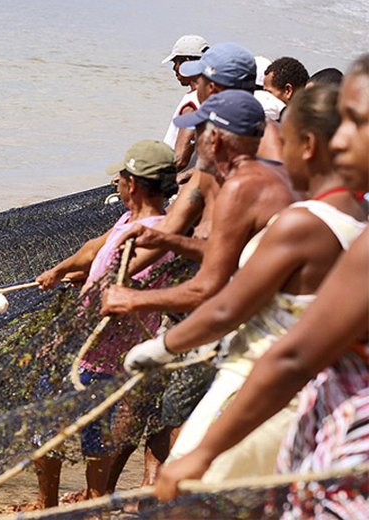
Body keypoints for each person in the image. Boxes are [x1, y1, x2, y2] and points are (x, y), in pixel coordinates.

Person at [155, 54, 369, 517]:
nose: (344, 139)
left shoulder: (303, 220)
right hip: (313, 406)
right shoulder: (357, 220)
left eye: (358, 122)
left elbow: (281, 348)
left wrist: (162, 347)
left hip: (277, 393)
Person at [31, 140, 177, 508]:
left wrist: (66, 335)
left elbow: (124, 280)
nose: (116, 182)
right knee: (83, 434)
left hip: (99, 352)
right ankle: (53, 505)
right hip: (88, 348)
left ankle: (86, 507)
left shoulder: (157, 234)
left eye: (122, 177)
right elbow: (96, 247)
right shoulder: (129, 220)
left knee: (63, 433)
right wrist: (62, 270)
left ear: (137, 184)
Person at [102, 89, 297, 316]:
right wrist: (165, 240)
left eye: (197, 132)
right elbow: (224, 254)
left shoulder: (240, 188)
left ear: (213, 139)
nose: (193, 140)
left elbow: (206, 288)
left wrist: (133, 299)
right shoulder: (272, 173)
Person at [161, 35, 210, 174]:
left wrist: (146, 177)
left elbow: (180, 158)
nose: (174, 69)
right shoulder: (214, 95)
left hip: (176, 181)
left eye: (175, 62)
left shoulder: (193, 102)